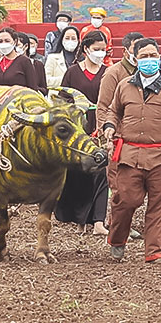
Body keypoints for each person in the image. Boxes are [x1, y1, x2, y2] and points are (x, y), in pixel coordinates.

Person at [100, 38, 161, 264]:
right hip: (130, 155)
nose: (148, 60)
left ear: (159, 58)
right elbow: (114, 111)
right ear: (135, 59)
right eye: (143, 56)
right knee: (126, 200)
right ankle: (117, 239)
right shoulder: (124, 86)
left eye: (153, 56)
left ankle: (155, 250)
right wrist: (109, 126)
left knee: (159, 205)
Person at [54, 30, 109, 235]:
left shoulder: (107, 72)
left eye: (103, 50)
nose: (100, 53)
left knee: (101, 172)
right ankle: (81, 220)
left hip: (100, 128)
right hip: (78, 130)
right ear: (86, 49)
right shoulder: (72, 73)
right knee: (79, 174)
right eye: (96, 49)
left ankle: (99, 221)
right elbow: (62, 100)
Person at [95, 31, 144, 139]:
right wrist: (105, 137)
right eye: (134, 49)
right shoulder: (113, 73)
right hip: (119, 135)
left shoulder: (146, 72)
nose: (138, 52)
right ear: (125, 52)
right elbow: (103, 107)